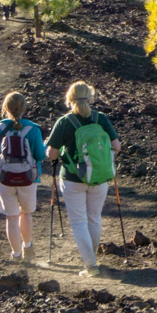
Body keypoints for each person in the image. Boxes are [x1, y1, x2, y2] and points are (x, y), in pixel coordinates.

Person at [46, 80, 118, 277]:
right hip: (99, 177)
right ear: (90, 97)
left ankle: (91, 265)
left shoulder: (64, 122)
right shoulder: (101, 119)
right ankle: (91, 260)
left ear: (70, 99)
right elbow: (117, 147)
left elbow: (51, 154)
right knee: (94, 218)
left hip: (72, 178)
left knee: (79, 222)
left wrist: (56, 149)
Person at [0, 91, 46, 261]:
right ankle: (28, 247)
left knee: (11, 217)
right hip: (28, 178)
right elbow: (40, 155)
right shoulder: (33, 129)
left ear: (5, 108)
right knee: (26, 213)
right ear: (24, 107)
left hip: (4, 178)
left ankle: (16, 254)